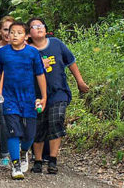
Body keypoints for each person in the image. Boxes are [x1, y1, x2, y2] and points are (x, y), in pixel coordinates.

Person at [29, 17, 89, 175]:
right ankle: (38, 159)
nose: (38, 28)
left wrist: (80, 82)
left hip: (58, 91)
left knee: (57, 120)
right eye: (34, 27)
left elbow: (71, 62)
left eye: (40, 25)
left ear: (45, 29)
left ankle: (53, 160)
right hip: (36, 95)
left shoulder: (56, 43)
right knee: (39, 126)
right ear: (29, 33)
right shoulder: (28, 50)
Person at [0, 21, 47, 179]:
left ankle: (23, 152)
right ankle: (15, 165)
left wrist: (43, 96)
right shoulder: (3, 52)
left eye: (19, 33)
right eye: (12, 32)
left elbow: (40, 75)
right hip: (10, 99)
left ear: (26, 36)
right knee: (13, 131)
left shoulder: (32, 53)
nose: (14, 35)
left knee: (29, 134)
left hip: (29, 99)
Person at [0, 15, 15, 167]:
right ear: (0, 31)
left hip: (19, 89)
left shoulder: (24, 47)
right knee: (3, 120)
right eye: (6, 30)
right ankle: (5, 153)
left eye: (12, 30)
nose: (9, 33)